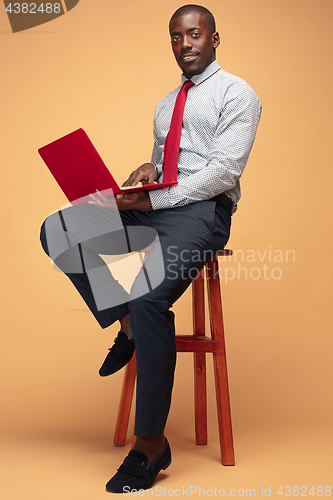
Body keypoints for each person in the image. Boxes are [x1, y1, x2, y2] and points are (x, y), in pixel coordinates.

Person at [40, 4, 261, 493]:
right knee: (59, 227)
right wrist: (148, 171)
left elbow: (222, 171)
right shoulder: (165, 104)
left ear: (214, 38)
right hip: (160, 204)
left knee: (149, 293)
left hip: (204, 213)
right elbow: (172, 162)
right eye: (176, 37)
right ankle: (128, 325)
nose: (185, 44)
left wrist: (158, 196)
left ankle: (150, 444)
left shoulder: (237, 93)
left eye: (195, 34)